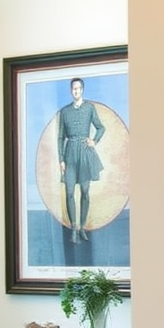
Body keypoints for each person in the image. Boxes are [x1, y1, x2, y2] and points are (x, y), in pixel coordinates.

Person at [58, 78, 105, 242]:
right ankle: (73, 228)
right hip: (70, 153)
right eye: (73, 89)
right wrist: (61, 160)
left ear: (82, 90)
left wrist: (94, 141)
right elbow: (60, 137)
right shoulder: (64, 112)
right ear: (71, 91)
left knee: (85, 191)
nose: (76, 91)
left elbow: (101, 127)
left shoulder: (90, 108)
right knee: (69, 192)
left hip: (85, 154)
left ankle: (83, 227)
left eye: (78, 88)